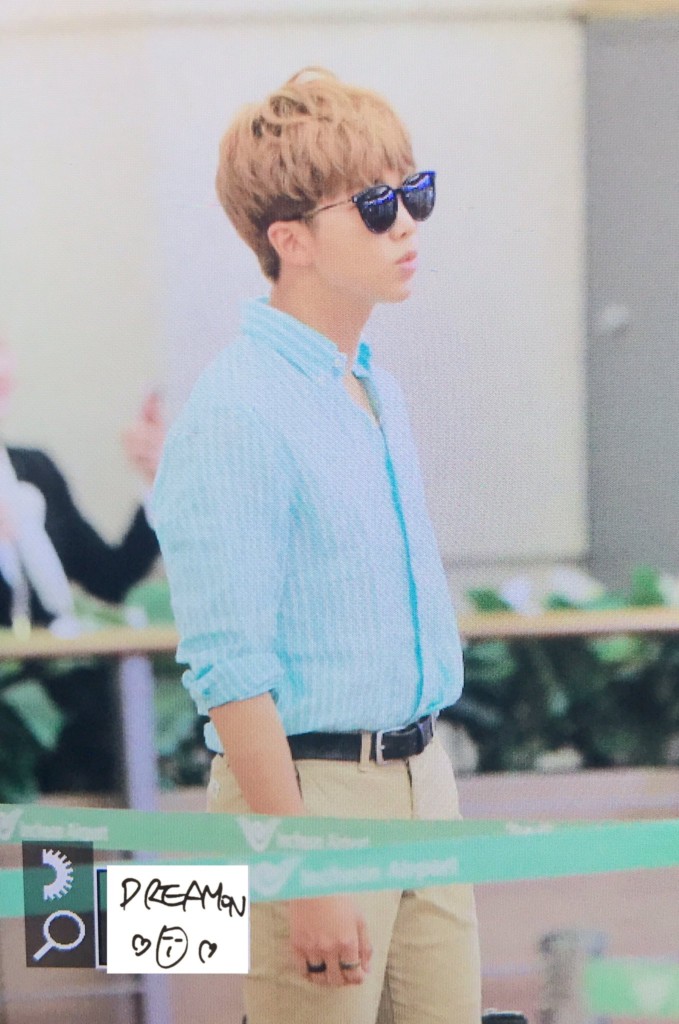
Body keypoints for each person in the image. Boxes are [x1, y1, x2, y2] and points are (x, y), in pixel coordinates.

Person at [153, 68, 481, 1024]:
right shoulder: (238, 409)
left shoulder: (373, 387)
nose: (406, 224)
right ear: (288, 240)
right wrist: (298, 866)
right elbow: (228, 667)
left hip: (424, 780)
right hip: (311, 798)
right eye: (375, 206)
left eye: (414, 193)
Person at [0, 338, 164, 790]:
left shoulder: (34, 471)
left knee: (124, 709)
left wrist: (155, 481)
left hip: (63, 676)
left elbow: (109, 578)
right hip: (12, 697)